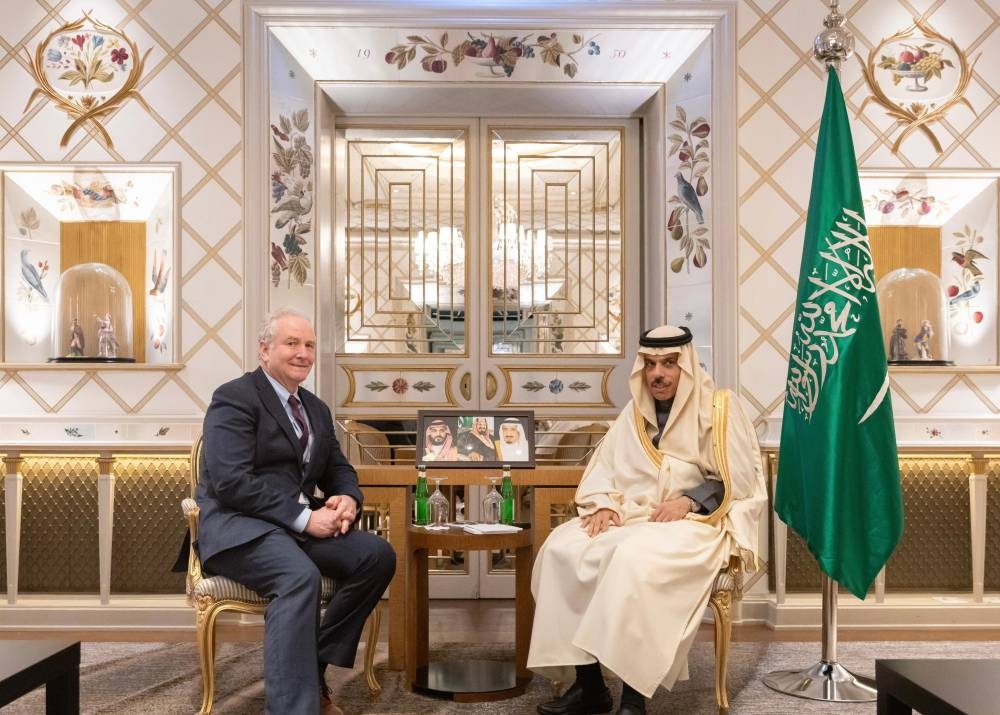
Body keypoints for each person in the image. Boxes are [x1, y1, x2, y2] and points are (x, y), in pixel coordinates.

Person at [527, 325, 766, 715]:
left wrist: (689, 500)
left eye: (669, 364)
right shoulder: (633, 414)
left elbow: (738, 480)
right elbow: (603, 467)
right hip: (633, 514)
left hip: (697, 523)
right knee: (561, 549)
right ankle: (591, 688)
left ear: (686, 366)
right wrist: (603, 503)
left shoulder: (719, 409)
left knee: (632, 559)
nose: (658, 374)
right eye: (651, 364)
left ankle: (633, 697)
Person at [196, 308, 396, 715]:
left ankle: (311, 669)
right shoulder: (234, 398)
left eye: (309, 345)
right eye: (292, 343)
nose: (303, 353)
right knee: (298, 577)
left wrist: (347, 498)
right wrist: (306, 518)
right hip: (240, 529)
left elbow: (338, 468)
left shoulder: (316, 409)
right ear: (264, 349)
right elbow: (231, 482)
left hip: (293, 530)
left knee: (377, 556)